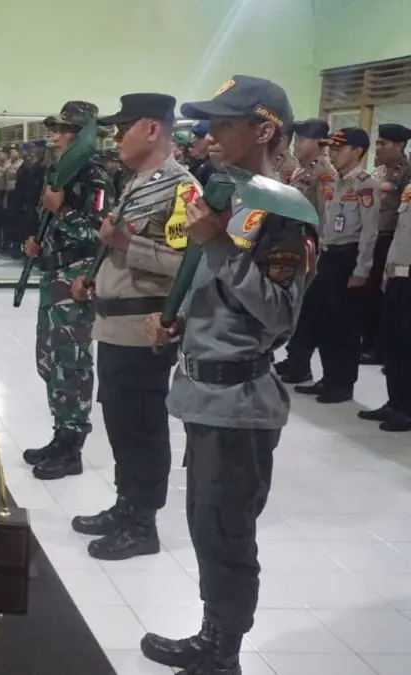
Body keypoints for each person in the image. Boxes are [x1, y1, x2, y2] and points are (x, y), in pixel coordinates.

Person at [139, 75, 313, 675]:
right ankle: (213, 636)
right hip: (204, 392)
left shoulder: (281, 210)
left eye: (224, 124)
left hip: (240, 399)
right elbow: (212, 287)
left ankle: (222, 651)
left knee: (226, 534)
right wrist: (177, 323)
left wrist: (222, 248)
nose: (210, 136)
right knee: (207, 526)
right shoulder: (230, 197)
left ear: (263, 130)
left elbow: (281, 312)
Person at [71, 93, 198, 561]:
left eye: (123, 127)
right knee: (120, 422)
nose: (114, 137)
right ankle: (126, 506)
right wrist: (95, 274)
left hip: (144, 329)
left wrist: (126, 244)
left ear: (151, 129)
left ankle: (143, 524)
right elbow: (118, 246)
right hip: (114, 325)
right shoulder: (136, 183)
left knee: (142, 426)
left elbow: (187, 263)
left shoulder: (180, 189)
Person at [20, 101, 116, 480]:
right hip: (54, 275)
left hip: (77, 279)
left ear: (83, 136)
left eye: (65, 130)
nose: (56, 136)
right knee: (51, 360)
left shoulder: (93, 177)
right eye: (56, 129)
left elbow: (101, 232)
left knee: (72, 363)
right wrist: (36, 242)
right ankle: (61, 435)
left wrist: (61, 211)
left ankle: (73, 445)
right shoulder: (59, 171)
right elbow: (52, 225)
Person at [292, 128, 380, 404]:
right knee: (325, 321)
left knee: (345, 326)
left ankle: (343, 384)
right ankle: (329, 378)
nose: (332, 153)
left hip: (348, 257)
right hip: (328, 255)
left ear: (357, 151)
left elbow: (370, 231)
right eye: (330, 147)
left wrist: (361, 269)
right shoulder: (335, 182)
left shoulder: (365, 184)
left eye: (339, 148)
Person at [274, 118, 335, 384]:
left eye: (302, 139)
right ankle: (294, 358)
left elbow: (325, 218)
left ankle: (301, 363)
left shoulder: (324, 173)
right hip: (292, 248)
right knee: (295, 308)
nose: (296, 144)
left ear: (319, 143)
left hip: (309, 251)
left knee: (307, 311)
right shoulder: (301, 171)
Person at [359, 176, 411, 432]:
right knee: (392, 343)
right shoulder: (409, 187)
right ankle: (395, 401)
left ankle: (406, 409)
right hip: (396, 275)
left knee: (407, 345)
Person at [362, 123, 411, 365]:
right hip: (372, 236)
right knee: (368, 294)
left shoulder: (406, 173)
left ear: (400, 145)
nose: (378, 147)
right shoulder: (378, 171)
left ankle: (378, 347)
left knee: (382, 297)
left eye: (383, 143)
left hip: (391, 240)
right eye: (378, 142)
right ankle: (368, 340)